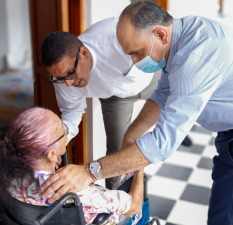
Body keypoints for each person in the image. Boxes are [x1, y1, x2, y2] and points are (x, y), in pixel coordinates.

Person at [41, 1, 233, 224]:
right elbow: (163, 92)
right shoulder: (181, 36)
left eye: (137, 53)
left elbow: (162, 145)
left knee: (225, 213)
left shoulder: (194, 58)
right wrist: (133, 133)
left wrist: (88, 172)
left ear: (160, 34)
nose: (134, 61)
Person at [41, 18, 192, 189]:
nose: (68, 83)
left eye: (70, 73)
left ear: (84, 53)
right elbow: (71, 113)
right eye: (60, 78)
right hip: (116, 97)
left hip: (151, 80)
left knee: (172, 112)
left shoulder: (116, 33)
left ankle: (176, 128)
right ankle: (116, 206)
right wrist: (61, 139)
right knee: (117, 150)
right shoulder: (63, 80)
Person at [0, 107, 144, 224]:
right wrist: (139, 167)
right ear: (52, 154)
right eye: (63, 130)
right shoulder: (79, 193)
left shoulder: (5, 175)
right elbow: (135, 205)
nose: (67, 131)